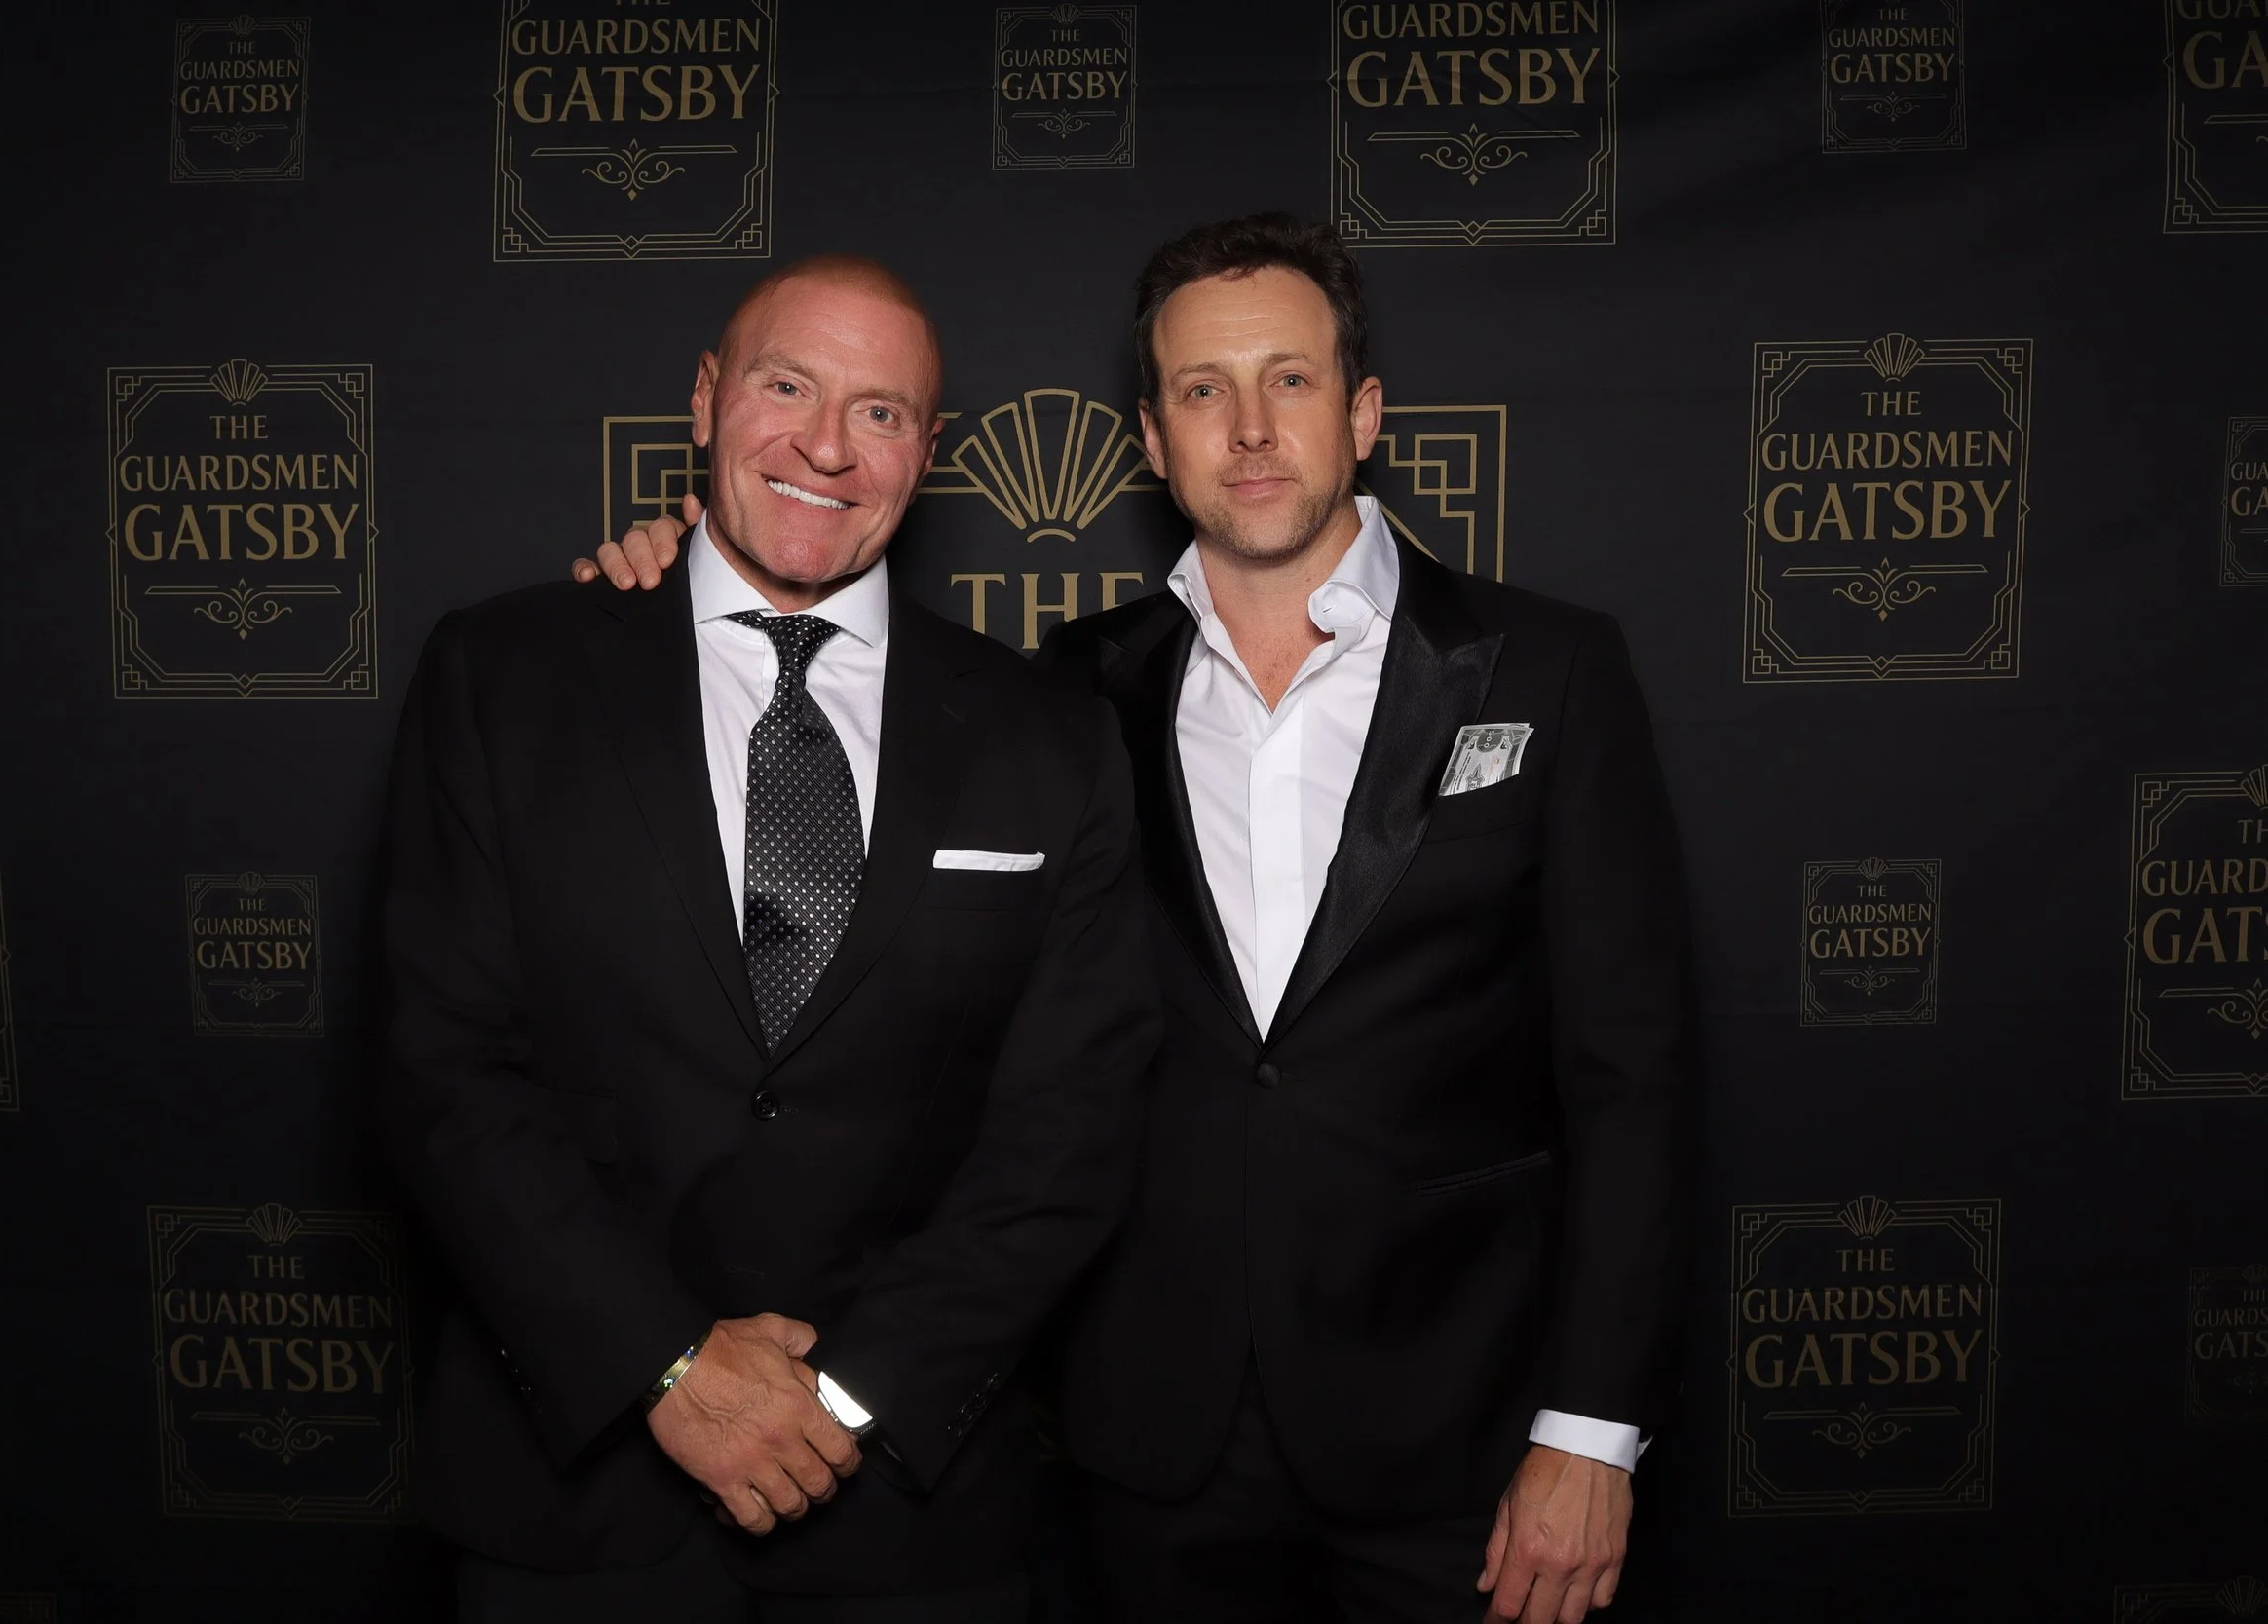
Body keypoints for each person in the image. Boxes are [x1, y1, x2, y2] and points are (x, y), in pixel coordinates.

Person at [579, 215, 1698, 1624]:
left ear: (1363, 414)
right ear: (1153, 443)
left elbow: (1634, 1083)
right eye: (1198, 390)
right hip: (1145, 1445)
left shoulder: (1550, 668)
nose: (1247, 428)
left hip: (1462, 1440)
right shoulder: (1065, 693)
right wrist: (662, 594)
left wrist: (1589, 1428)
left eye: (1289, 380)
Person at [382, 253, 1160, 1622]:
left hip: (906, 1511)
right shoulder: (504, 676)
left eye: (879, 411)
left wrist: (844, 1401)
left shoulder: (1045, 732)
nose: (823, 443)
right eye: (786, 384)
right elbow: (442, 1067)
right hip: (573, 1503)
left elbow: (1071, 1127)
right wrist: (667, 1366)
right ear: (705, 399)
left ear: (928, 451)